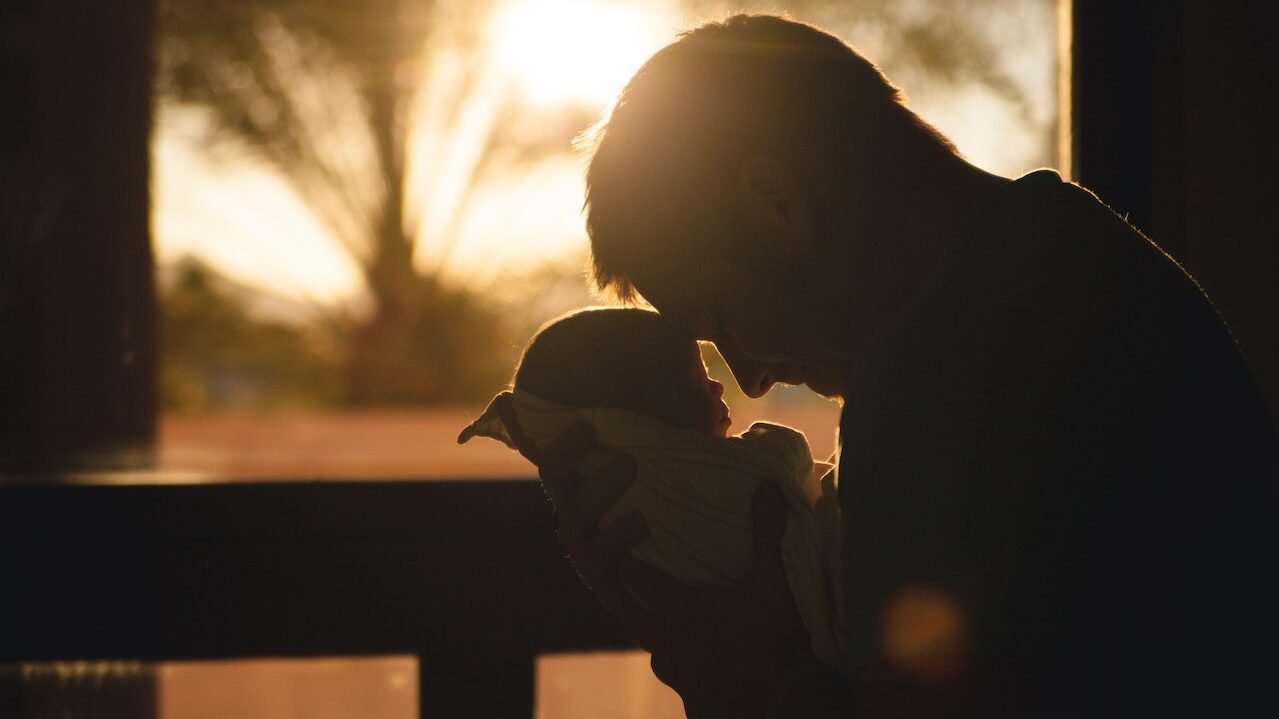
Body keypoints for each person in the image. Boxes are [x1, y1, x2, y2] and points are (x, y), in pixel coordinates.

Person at [531, 13, 1279, 719]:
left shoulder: (940, 373)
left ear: (773, 203)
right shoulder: (1078, 253)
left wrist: (724, 664)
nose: (750, 379)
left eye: (722, 323)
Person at [457, 307, 845, 667]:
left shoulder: (619, 514)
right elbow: (786, 471)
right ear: (629, 426)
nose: (724, 386)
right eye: (691, 380)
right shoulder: (683, 487)